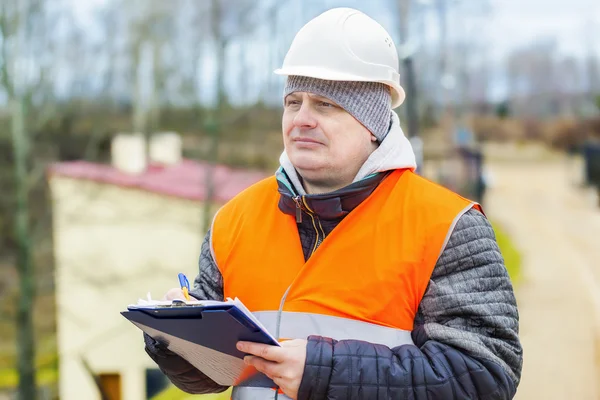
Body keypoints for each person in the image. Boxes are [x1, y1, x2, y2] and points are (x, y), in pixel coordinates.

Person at [144, 7, 522, 400]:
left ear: (372, 123)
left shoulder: (448, 228)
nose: (301, 119)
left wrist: (323, 372)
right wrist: (172, 338)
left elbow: (484, 376)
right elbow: (212, 377)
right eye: (293, 101)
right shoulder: (235, 220)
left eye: (326, 104)